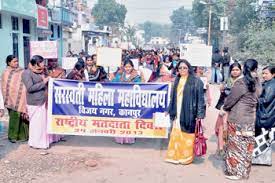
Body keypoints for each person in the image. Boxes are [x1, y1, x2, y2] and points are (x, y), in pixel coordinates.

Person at [223, 59, 260, 180]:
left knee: (235, 147)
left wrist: (225, 107)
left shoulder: (241, 83)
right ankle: (244, 173)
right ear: (256, 69)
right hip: (250, 119)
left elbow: (230, 100)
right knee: (247, 147)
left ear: (243, 68)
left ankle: (235, 172)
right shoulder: (257, 82)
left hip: (237, 118)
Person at [165, 59, 205, 165]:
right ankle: (174, 156)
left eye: (185, 67)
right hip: (177, 111)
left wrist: (200, 114)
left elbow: (201, 99)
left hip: (190, 112)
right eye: (180, 68)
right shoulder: (177, 80)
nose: (182, 69)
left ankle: (185, 158)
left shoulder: (196, 81)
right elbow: (172, 97)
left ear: (189, 68)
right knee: (176, 132)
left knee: (187, 134)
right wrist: (169, 109)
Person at [22, 55, 60, 149]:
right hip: (35, 101)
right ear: (36, 63)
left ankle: (44, 142)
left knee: (43, 124)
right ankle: (36, 143)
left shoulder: (42, 71)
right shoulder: (27, 73)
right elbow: (30, 88)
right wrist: (44, 82)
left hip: (44, 100)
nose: (44, 64)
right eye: (42, 62)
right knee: (36, 124)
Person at [214, 62, 242, 158]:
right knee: (221, 127)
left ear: (240, 71)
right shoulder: (227, 80)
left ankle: (231, 151)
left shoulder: (242, 81)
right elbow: (223, 93)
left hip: (237, 109)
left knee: (232, 129)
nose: (234, 72)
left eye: (237, 70)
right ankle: (221, 148)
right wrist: (222, 89)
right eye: (233, 70)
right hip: (225, 108)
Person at [112, 59, 141, 144]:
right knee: (121, 118)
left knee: (130, 119)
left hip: (131, 101)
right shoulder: (120, 75)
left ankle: (129, 138)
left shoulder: (136, 77)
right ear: (124, 67)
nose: (128, 68)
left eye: (129, 66)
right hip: (120, 101)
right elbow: (113, 83)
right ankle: (120, 138)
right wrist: (112, 78)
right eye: (126, 66)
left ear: (132, 67)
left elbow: (139, 86)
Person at [1, 55, 29, 143]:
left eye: (17, 61)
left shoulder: (22, 71)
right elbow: (5, 88)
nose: (16, 63)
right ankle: (12, 136)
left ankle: (22, 136)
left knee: (22, 117)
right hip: (10, 99)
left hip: (22, 98)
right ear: (9, 63)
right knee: (14, 117)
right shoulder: (5, 73)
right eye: (14, 61)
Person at [253, 66, 275, 165]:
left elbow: (266, 99)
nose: (264, 75)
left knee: (263, 137)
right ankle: (262, 160)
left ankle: (262, 160)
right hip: (265, 114)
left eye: (266, 73)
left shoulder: (272, 85)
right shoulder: (268, 83)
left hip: (266, 115)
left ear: (273, 74)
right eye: (263, 73)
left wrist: (252, 99)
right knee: (263, 137)